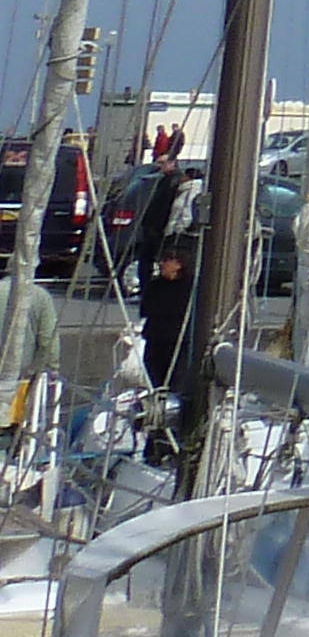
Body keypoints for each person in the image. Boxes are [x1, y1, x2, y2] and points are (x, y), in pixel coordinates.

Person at [132, 163, 205, 441]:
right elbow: (146, 309)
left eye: (167, 261)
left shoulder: (190, 288)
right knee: (157, 394)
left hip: (178, 345)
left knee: (175, 392)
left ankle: (173, 441)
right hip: (157, 344)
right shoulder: (157, 286)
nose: (162, 264)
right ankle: (155, 443)